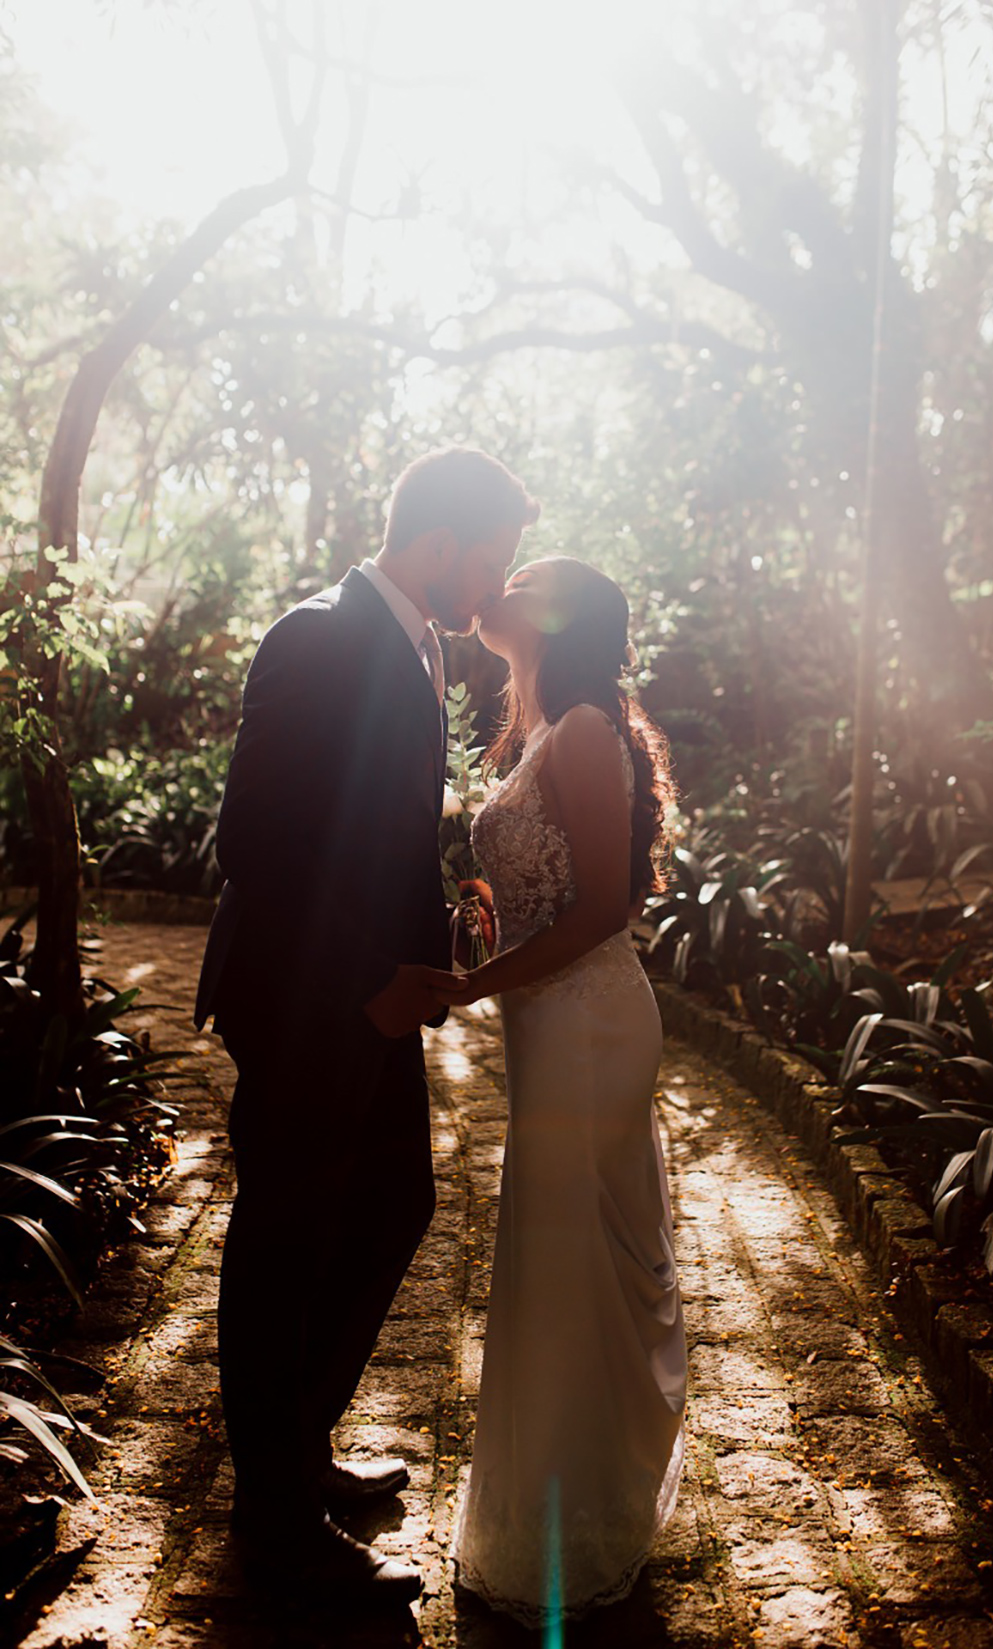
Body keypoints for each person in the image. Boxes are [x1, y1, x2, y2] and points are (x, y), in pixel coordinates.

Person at [193, 447, 540, 1604]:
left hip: (367, 994)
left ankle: (294, 1452)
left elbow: (361, 826)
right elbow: (258, 840)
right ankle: (278, 1526)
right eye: (489, 556)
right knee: (285, 1238)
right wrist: (367, 984)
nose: (495, 584)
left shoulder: (421, 641)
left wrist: (434, 923)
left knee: (394, 1202)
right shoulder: (321, 634)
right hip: (304, 1001)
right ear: (438, 540)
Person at [446, 556, 687, 1625]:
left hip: (588, 1020)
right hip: (549, 1022)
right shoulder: (540, 728)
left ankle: (578, 1516)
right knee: (551, 1253)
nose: (499, 584)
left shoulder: (587, 727)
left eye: (525, 577)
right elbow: (543, 892)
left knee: (571, 1256)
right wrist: (487, 920)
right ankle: (559, 1498)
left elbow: (602, 907)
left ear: (559, 616)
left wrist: (466, 985)